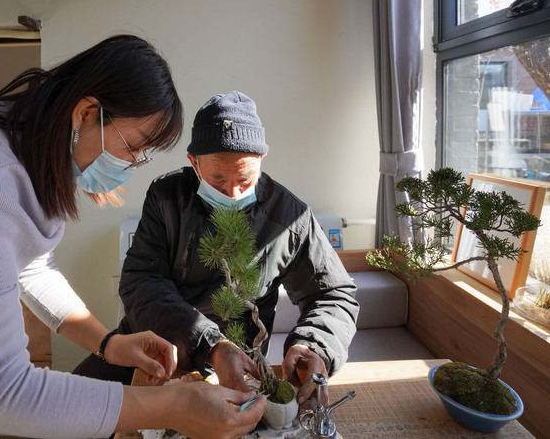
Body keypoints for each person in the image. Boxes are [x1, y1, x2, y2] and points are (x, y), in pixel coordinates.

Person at [0, 37, 265, 439]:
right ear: (85, 113)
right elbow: (2, 395)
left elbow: (30, 264)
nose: (134, 164)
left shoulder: (21, 143)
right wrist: (168, 407)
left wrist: (108, 343)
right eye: (133, 147)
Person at [74, 90, 359, 409]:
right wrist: (211, 345)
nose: (233, 193)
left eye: (245, 179)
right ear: (194, 162)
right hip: (152, 348)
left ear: (261, 161)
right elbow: (141, 282)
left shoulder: (288, 217)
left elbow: (333, 294)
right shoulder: (168, 197)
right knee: (70, 409)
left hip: (242, 370)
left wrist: (315, 346)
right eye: (219, 180)